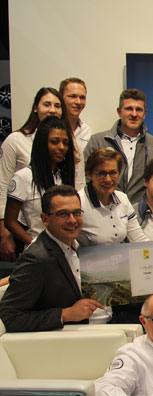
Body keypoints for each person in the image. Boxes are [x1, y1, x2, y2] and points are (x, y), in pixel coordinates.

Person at [78, 148, 153, 329]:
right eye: (101, 173)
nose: (108, 179)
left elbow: (140, 241)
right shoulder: (79, 203)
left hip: (123, 286)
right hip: (92, 289)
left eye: (113, 173)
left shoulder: (122, 200)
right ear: (89, 174)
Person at [0, 185, 104, 332]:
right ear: (45, 219)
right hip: (64, 338)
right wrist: (65, 314)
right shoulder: (36, 259)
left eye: (76, 213)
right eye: (63, 214)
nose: (72, 220)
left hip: (99, 323)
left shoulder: (79, 245)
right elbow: (9, 318)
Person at [0, 87, 65, 261]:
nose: (52, 110)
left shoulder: (64, 158)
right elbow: (3, 185)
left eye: (57, 105)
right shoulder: (16, 141)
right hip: (27, 228)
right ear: (36, 107)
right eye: (47, 104)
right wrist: (4, 233)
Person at [5, 116, 80, 245]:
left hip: (66, 247)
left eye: (65, 143)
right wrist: (34, 244)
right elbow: (10, 221)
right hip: (39, 248)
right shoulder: (23, 177)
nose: (62, 147)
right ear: (42, 144)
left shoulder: (63, 176)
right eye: (55, 142)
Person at [84, 88, 153, 203]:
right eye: (129, 109)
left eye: (139, 110)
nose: (134, 114)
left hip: (139, 212)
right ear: (119, 111)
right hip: (103, 209)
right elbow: (86, 178)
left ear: (144, 114)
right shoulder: (98, 141)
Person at [59, 77, 92, 152]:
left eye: (82, 97)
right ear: (61, 97)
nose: (78, 102)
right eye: (72, 96)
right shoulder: (51, 129)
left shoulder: (86, 131)